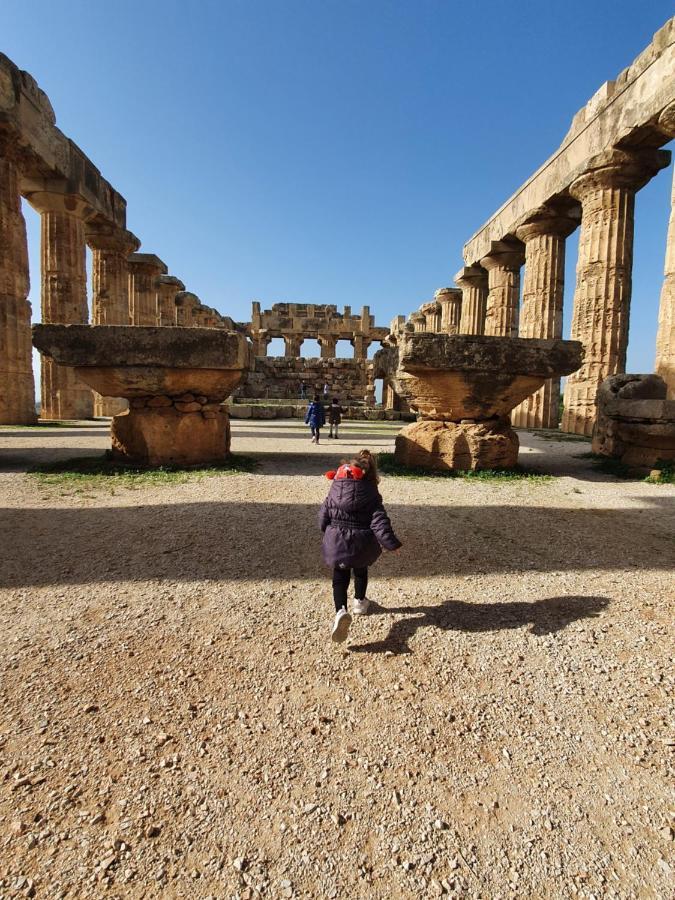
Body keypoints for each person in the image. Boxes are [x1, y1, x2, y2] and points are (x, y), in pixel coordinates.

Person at [318, 449, 402, 642]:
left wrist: (326, 531)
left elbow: (323, 515)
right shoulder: (371, 494)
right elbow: (379, 522)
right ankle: (359, 602)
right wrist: (392, 544)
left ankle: (340, 610)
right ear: (371, 474)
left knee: (339, 578)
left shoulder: (334, 490)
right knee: (361, 571)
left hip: (336, 540)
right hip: (361, 544)